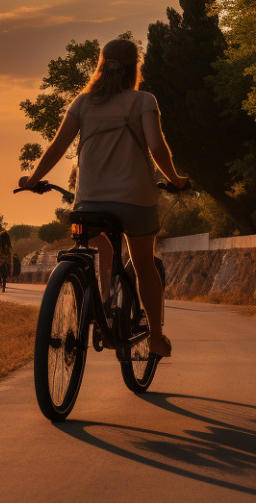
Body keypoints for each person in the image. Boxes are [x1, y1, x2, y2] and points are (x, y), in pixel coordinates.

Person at [18, 37, 189, 358]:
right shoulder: (143, 101)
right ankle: (155, 336)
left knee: (103, 248)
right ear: (134, 67)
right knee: (143, 265)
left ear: (100, 66)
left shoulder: (82, 103)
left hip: (89, 204)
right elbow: (156, 147)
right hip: (136, 201)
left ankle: (104, 304)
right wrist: (175, 180)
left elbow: (56, 147)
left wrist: (34, 179)